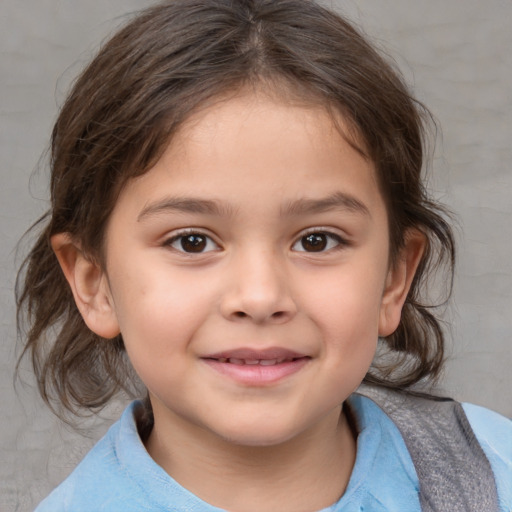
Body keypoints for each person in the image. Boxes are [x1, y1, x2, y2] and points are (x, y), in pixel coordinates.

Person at [16, 0, 511, 510]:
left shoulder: (492, 472)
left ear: (394, 278)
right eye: (192, 241)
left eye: (317, 240)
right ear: (94, 284)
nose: (259, 297)